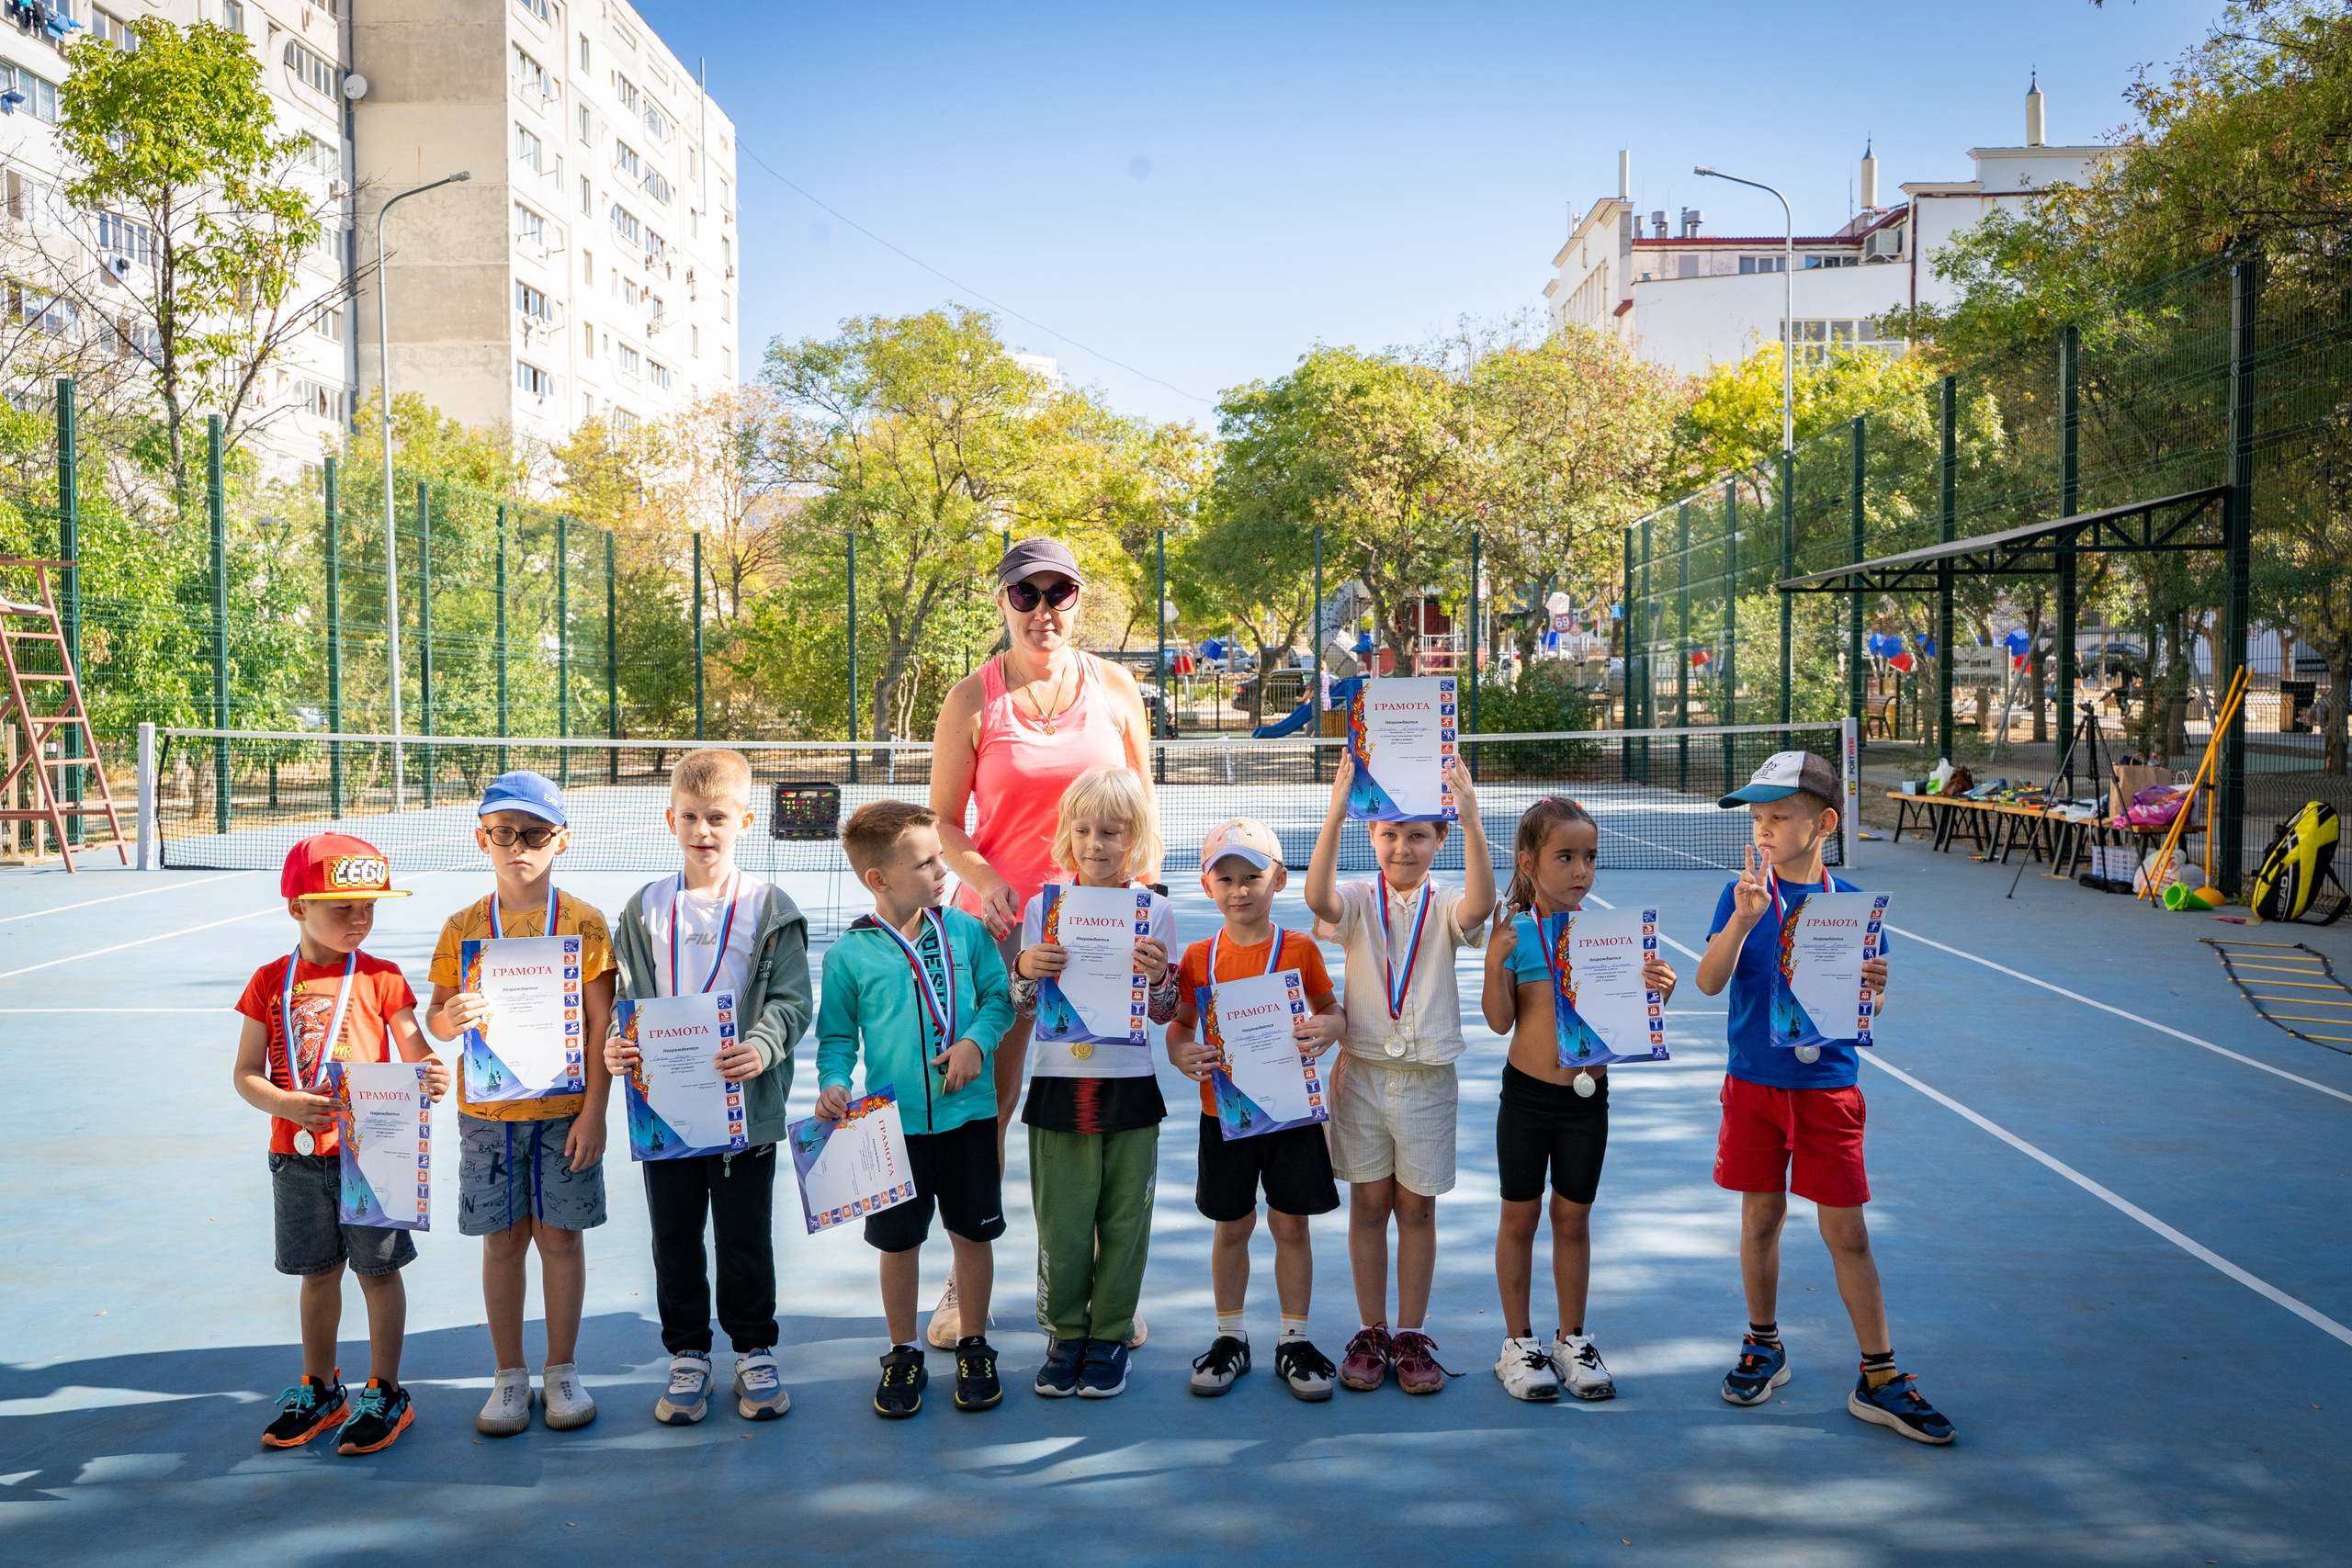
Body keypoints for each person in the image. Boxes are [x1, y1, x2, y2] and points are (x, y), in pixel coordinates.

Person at [926, 536, 1158, 1349]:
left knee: (1096, 1101)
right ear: (1003, 603)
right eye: (1026, 594)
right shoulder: (971, 699)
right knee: (985, 1106)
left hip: (1098, 932)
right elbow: (944, 825)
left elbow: (1143, 816)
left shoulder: (1118, 689)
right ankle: (965, 1282)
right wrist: (989, 884)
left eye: (1059, 593)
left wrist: (1138, 910)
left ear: (1078, 603)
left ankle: (1102, 1288)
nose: (1043, 609)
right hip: (1000, 933)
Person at [1693, 750, 1955, 1445]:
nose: (1764, 830)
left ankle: (1880, 1375)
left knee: (1848, 1231)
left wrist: (1875, 982)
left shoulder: (1851, 909)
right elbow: (1708, 982)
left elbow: (1867, 995)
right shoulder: (1740, 895)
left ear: (1825, 823)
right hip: (1753, 1084)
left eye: (1780, 816)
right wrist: (1743, 922)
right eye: (1758, 818)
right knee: (1761, 1220)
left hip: (1826, 1088)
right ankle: (1763, 1342)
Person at [605, 748, 813, 1427]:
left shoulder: (768, 906)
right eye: (691, 817)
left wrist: (762, 1044)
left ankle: (754, 1348)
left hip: (743, 1111)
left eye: (717, 817)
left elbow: (790, 1000)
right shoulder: (643, 909)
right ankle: (688, 1352)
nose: (703, 830)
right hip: (664, 1110)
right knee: (675, 1236)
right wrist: (619, 1043)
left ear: (746, 820)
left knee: (746, 1235)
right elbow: (627, 1000)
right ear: (670, 818)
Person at [232, 833, 447, 1455]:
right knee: (318, 1274)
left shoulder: (381, 977)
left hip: (373, 1153)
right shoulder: (269, 981)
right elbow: (246, 1072)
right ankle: (323, 1388)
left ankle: (386, 1390)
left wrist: (432, 1072)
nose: (360, 919)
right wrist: (286, 1104)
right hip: (296, 1155)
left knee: (378, 1272)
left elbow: (416, 1049)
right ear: (298, 907)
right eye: (341, 907)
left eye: (369, 907)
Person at [424, 771, 617, 1438]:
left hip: (564, 1112)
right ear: (483, 839)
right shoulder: (464, 926)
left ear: (560, 838)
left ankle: (560, 1368)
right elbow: (438, 1021)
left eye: (534, 832)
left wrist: (594, 1110)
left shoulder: (586, 924)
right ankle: (509, 1375)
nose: (518, 845)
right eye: (504, 833)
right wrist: (450, 1016)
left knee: (561, 1239)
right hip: (488, 1114)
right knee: (502, 1242)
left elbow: (601, 1026)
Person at [816, 799, 1016, 1419]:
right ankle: (902, 1350)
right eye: (928, 863)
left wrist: (975, 1042)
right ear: (880, 879)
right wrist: (832, 1082)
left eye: (940, 858)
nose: (943, 872)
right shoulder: (851, 955)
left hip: (969, 1119)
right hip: (889, 1127)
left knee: (971, 1234)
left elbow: (999, 1001)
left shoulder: (966, 930)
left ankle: (974, 1341)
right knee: (897, 1243)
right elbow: (837, 1038)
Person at [1302, 751, 1495, 1395]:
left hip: (1426, 1082)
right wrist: (1336, 807)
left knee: (1416, 1210)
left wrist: (1470, 819)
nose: (1402, 847)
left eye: (1418, 834)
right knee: (1368, 1204)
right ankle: (1372, 1329)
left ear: (1439, 839)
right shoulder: (1357, 900)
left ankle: (1411, 1336)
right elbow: (1315, 896)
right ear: (1371, 836)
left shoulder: (1447, 905)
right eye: (1388, 833)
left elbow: (1482, 906)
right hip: (1360, 1074)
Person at [1480, 797, 1679, 1402]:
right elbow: (1498, 1020)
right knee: (1521, 1217)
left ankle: (1573, 1340)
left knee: (1573, 1219)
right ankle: (1518, 1344)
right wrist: (1495, 963)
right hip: (1526, 1101)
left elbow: (1624, 1027)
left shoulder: (1610, 937)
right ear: (1529, 862)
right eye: (1565, 856)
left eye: (1589, 857)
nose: (1580, 870)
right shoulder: (1516, 932)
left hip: (1587, 1103)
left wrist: (1656, 996)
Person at [1005, 766, 1179, 1399]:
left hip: (1130, 1087)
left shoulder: (1154, 910)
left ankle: (1108, 1334)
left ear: (1134, 838)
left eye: (1111, 831)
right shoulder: (1041, 909)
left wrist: (1160, 979)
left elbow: (1164, 1011)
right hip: (1059, 1089)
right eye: (1083, 829)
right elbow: (1024, 1002)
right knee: (1064, 1222)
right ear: (1066, 834)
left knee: (1125, 1220)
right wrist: (1026, 965)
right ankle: (1066, 1334)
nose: (1096, 843)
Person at [1165, 818, 1348, 1402]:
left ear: (1280, 881)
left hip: (1291, 1115)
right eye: (1226, 878)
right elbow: (1180, 1028)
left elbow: (1333, 1012)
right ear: (1206, 885)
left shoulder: (1299, 948)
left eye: (1253, 877)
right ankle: (1230, 1337)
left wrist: (1326, 1029)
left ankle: (1293, 1339)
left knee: (1291, 1223)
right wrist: (1181, 1054)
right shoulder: (1198, 957)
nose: (1240, 890)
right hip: (1225, 1115)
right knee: (1232, 1225)